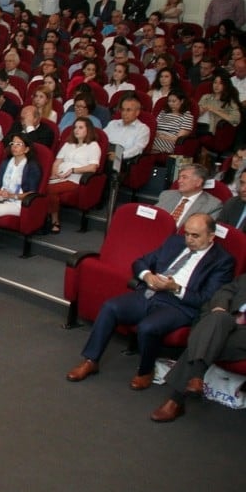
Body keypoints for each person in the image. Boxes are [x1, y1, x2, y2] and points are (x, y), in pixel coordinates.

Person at [66, 213, 234, 390]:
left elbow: (206, 299)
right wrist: (148, 276)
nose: (189, 240)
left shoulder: (222, 261)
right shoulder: (174, 243)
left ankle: (145, 371)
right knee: (110, 307)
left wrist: (176, 288)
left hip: (180, 306)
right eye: (187, 234)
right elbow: (140, 262)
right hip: (150, 292)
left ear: (211, 236)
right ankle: (91, 360)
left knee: (148, 327)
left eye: (195, 236)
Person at [150, 272, 246, 422]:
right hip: (223, 321)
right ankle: (194, 379)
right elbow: (226, 290)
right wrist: (220, 308)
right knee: (216, 321)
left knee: (207, 339)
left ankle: (178, 397)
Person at [0, 134, 43, 259]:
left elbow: (32, 194)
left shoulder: (32, 167)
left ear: (27, 149)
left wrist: (11, 195)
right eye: (13, 144)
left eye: (19, 144)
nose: (14, 147)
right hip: (2, 199)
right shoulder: (6, 163)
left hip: (19, 203)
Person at [47, 116, 101, 234]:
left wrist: (73, 170)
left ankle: (54, 221)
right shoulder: (68, 144)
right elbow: (57, 161)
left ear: (88, 130)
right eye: (75, 127)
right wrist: (53, 173)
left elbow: (93, 167)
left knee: (49, 189)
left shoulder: (93, 146)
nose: (76, 130)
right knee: (40, 186)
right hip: (59, 176)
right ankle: (44, 217)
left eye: (80, 127)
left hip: (75, 179)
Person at [155, 164, 223, 227]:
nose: (179, 181)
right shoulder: (167, 195)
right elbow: (153, 216)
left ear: (198, 182)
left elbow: (204, 231)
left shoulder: (213, 205)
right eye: (179, 177)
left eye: (184, 177)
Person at [196, 71, 242, 142]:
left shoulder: (230, 101)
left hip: (208, 128)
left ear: (225, 85)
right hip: (196, 124)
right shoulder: (206, 97)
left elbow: (236, 119)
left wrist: (214, 110)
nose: (216, 85)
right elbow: (195, 114)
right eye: (215, 82)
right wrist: (201, 111)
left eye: (220, 83)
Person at [104, 94, 150, 161]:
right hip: (105, 153)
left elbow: (138, 148)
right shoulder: (113, 123)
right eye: (123, 109)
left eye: (128, 110)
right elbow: (101, 139)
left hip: (121, 159)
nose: (124, 113)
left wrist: (119, 155)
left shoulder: (143, 129)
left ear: (137, 112)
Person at [151, 90, 194, 155]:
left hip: (170, 142)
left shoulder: (187, 116)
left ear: (182, 101)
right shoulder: (163, 112)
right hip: (156, 137)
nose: (170, 104)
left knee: (147, 144)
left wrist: (161, 136)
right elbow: (154, 128)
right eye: (169, 101)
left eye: (174, 101)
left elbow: (179, 139)